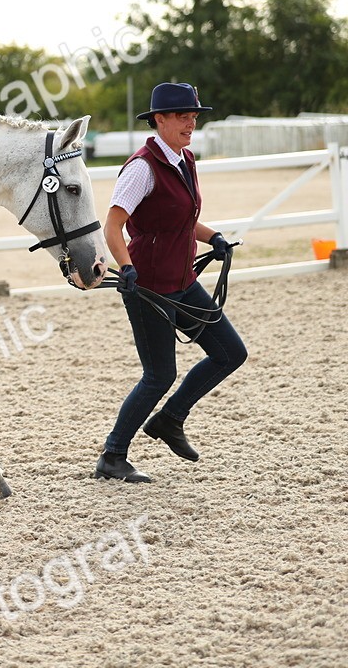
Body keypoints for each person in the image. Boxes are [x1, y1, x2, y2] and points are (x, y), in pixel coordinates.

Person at [95, 82, 248, 483]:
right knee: (159, 375)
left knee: (230, 352)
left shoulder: (184, 159)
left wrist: (212, 236)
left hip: (183, 279)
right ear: (159, 120)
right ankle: (112, 456)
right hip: (148, 287)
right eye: (183, 116)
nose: (191, 122)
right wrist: (126, 267)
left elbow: (178, 219)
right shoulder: (142, 168)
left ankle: (170, 419)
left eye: (194, 116)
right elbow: (113, 226)